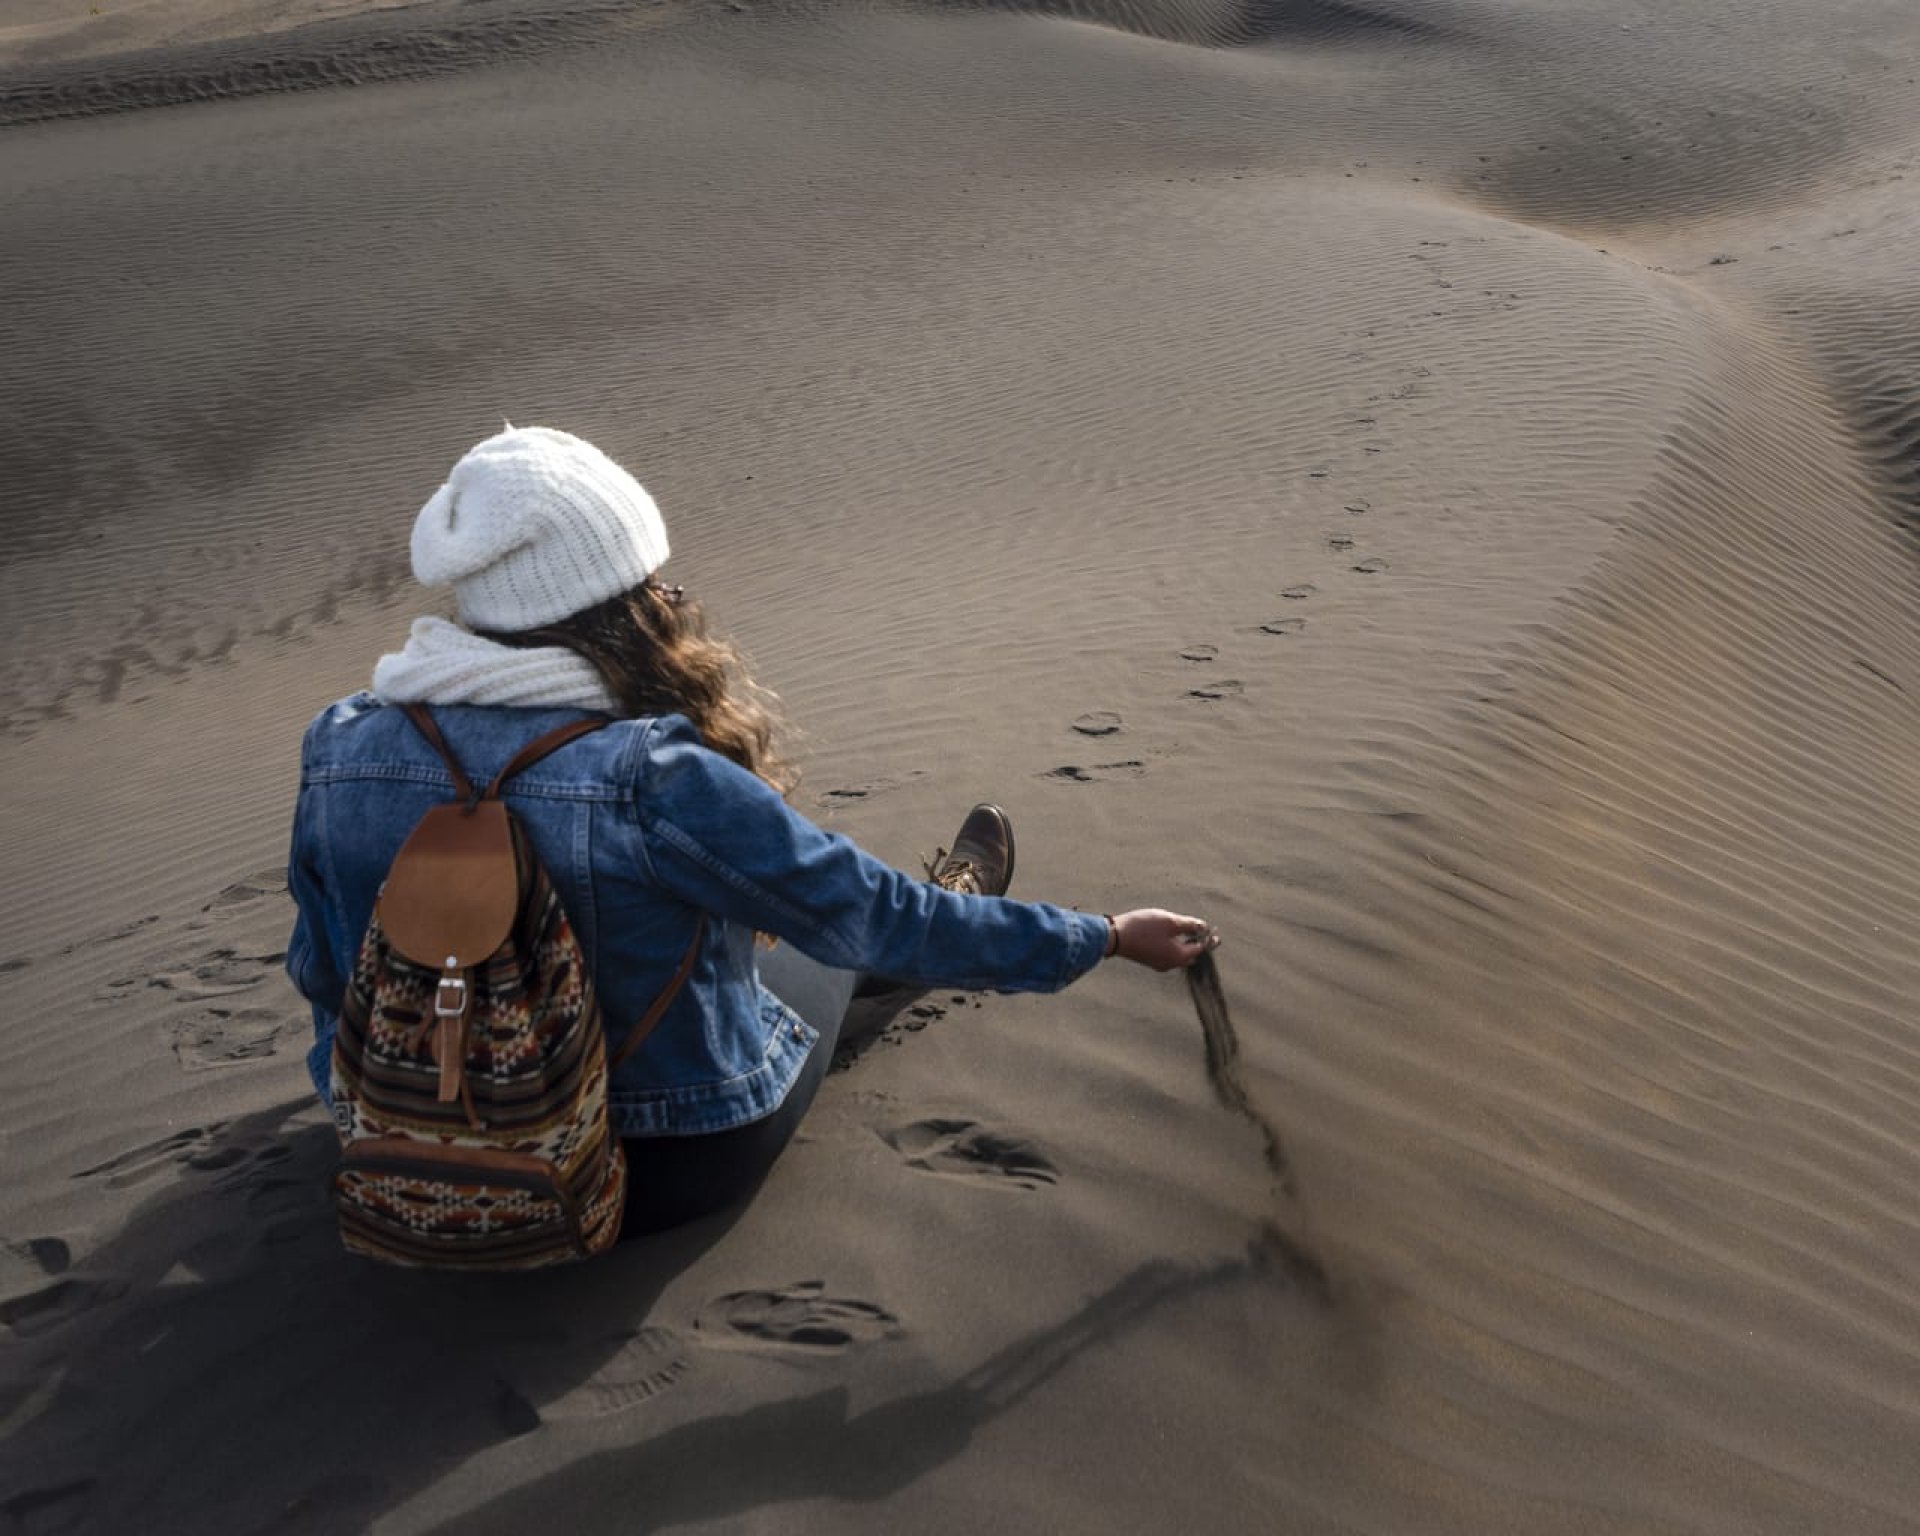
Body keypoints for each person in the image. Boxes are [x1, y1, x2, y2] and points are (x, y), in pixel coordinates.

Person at [286, 426, 1221, 1235]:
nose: (668, 595)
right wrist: (1100, 938)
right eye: (652, 579)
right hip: (658, 1168)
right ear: (616, 599)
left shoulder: (338, 746)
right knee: (845, 940)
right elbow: (873, 916)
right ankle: (961, 900)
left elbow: (322, 974)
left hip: (406, 1157)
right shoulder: (652, 776)